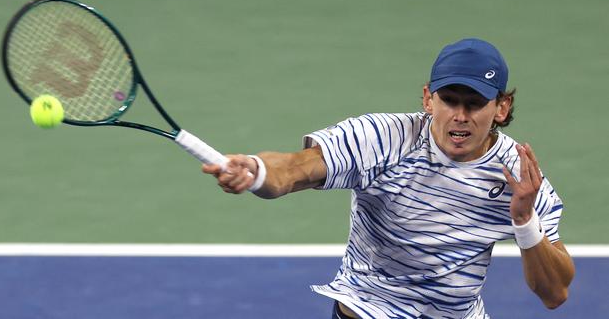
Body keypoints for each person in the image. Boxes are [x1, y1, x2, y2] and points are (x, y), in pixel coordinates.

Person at [202, 38, 575, 318]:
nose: (460, 115)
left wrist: (525, 221)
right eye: (449, 100)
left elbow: (554, 294)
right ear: (428, 100)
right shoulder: (383, 139)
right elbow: (297, 169)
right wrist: (256, 170)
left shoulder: (518, 175)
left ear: (501, 107)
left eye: (474, 104)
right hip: (370, 309)